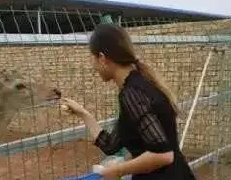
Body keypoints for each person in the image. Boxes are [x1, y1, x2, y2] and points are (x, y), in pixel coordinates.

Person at [60, 24, 196, 180]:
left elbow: (163, 155)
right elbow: (110, 145)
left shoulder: (132, 94)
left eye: (93, 58)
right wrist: (83, 113)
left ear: (103, 58)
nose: (94, 66)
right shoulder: (140, 84)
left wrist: (118, 170)